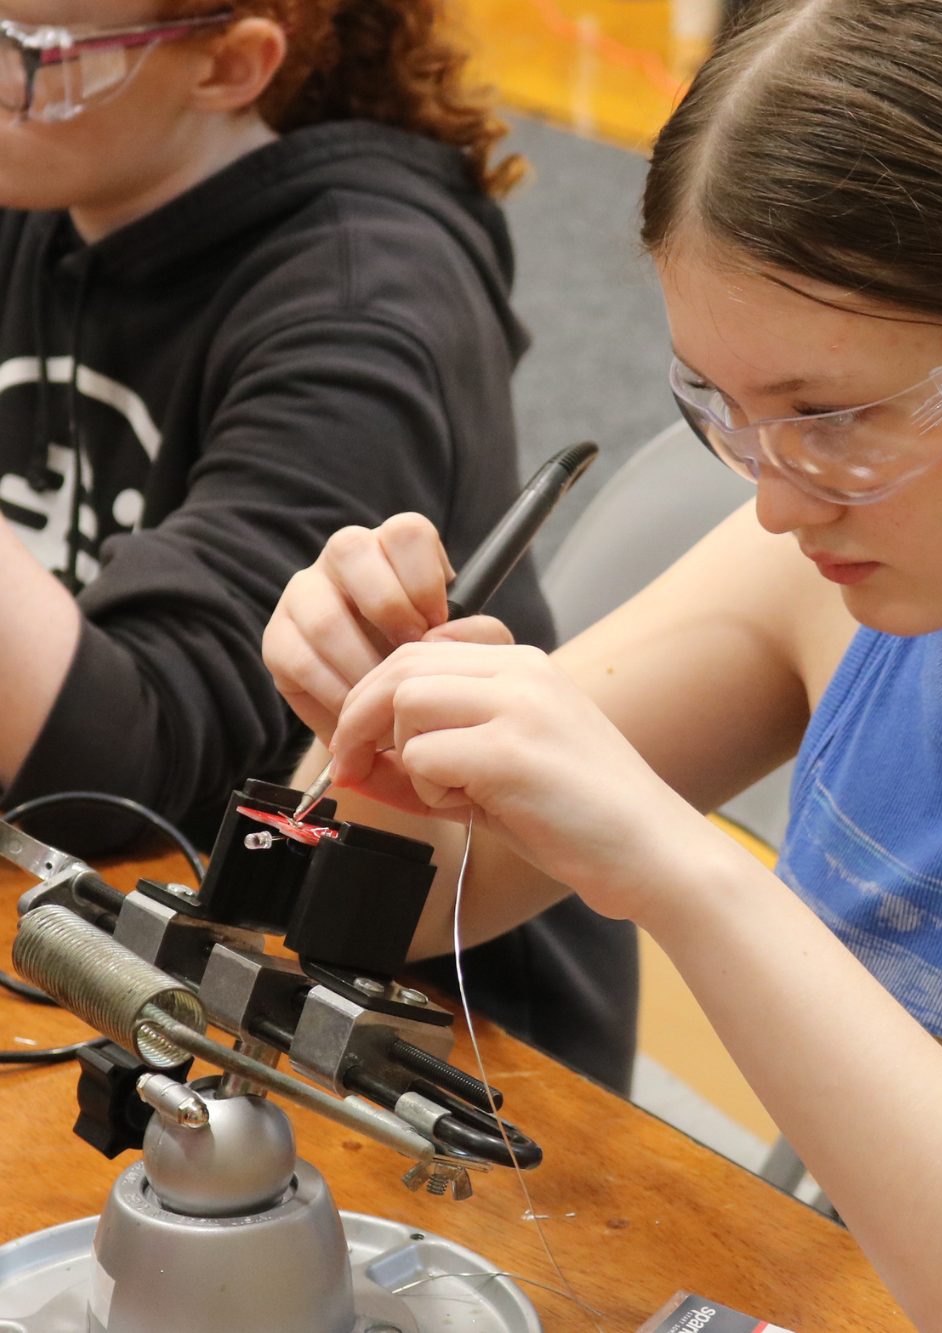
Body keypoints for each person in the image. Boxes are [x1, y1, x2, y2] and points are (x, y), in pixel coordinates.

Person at [267, 0, 942, 1324]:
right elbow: (398, 908)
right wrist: (369, 728)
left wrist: (692, 875)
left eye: (834, 417)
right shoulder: (843, 571)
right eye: (720, 409)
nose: (774, 502)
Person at [0, 0, 636, 1090]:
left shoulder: (362, 305)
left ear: (232, 65)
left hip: (424, 1043)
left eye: (28, 54)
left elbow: (116, 774)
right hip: (135, 942)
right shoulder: (56, 176)